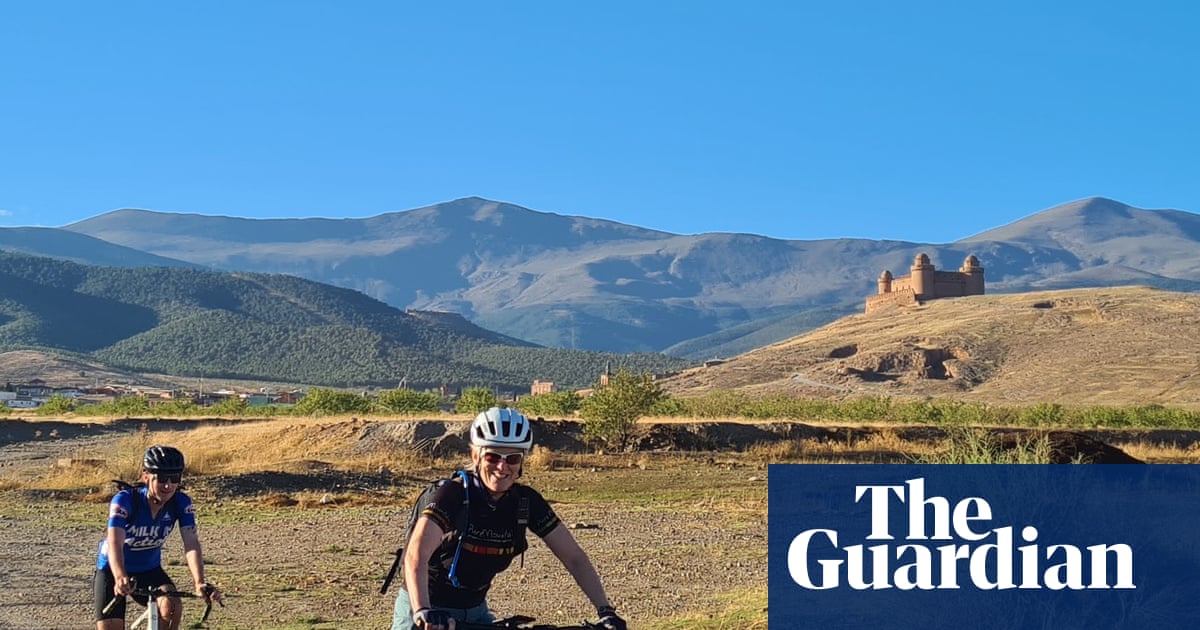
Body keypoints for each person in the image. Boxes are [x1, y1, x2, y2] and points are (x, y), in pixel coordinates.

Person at [391, 407, 627, 630]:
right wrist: (423, 610)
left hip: (475, 612)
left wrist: (605, 611)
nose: (502, 467)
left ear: (522, 461)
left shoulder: (525, 502)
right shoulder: (450, 495)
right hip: (426, 608)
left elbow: (574, 558)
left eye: (512, 458)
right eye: (492, 457)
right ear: (476, 455)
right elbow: (416, 555)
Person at [93, 445, 222, 630]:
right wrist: (120, 576)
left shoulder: (181, 502)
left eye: (174, 478)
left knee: (172, 607)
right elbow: (115, 541)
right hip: (112, 569)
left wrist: (199, 581)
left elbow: (191, 543)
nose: (168, 485)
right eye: (161, 478)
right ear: (146, 476)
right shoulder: (125, 500)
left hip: (148, 569)